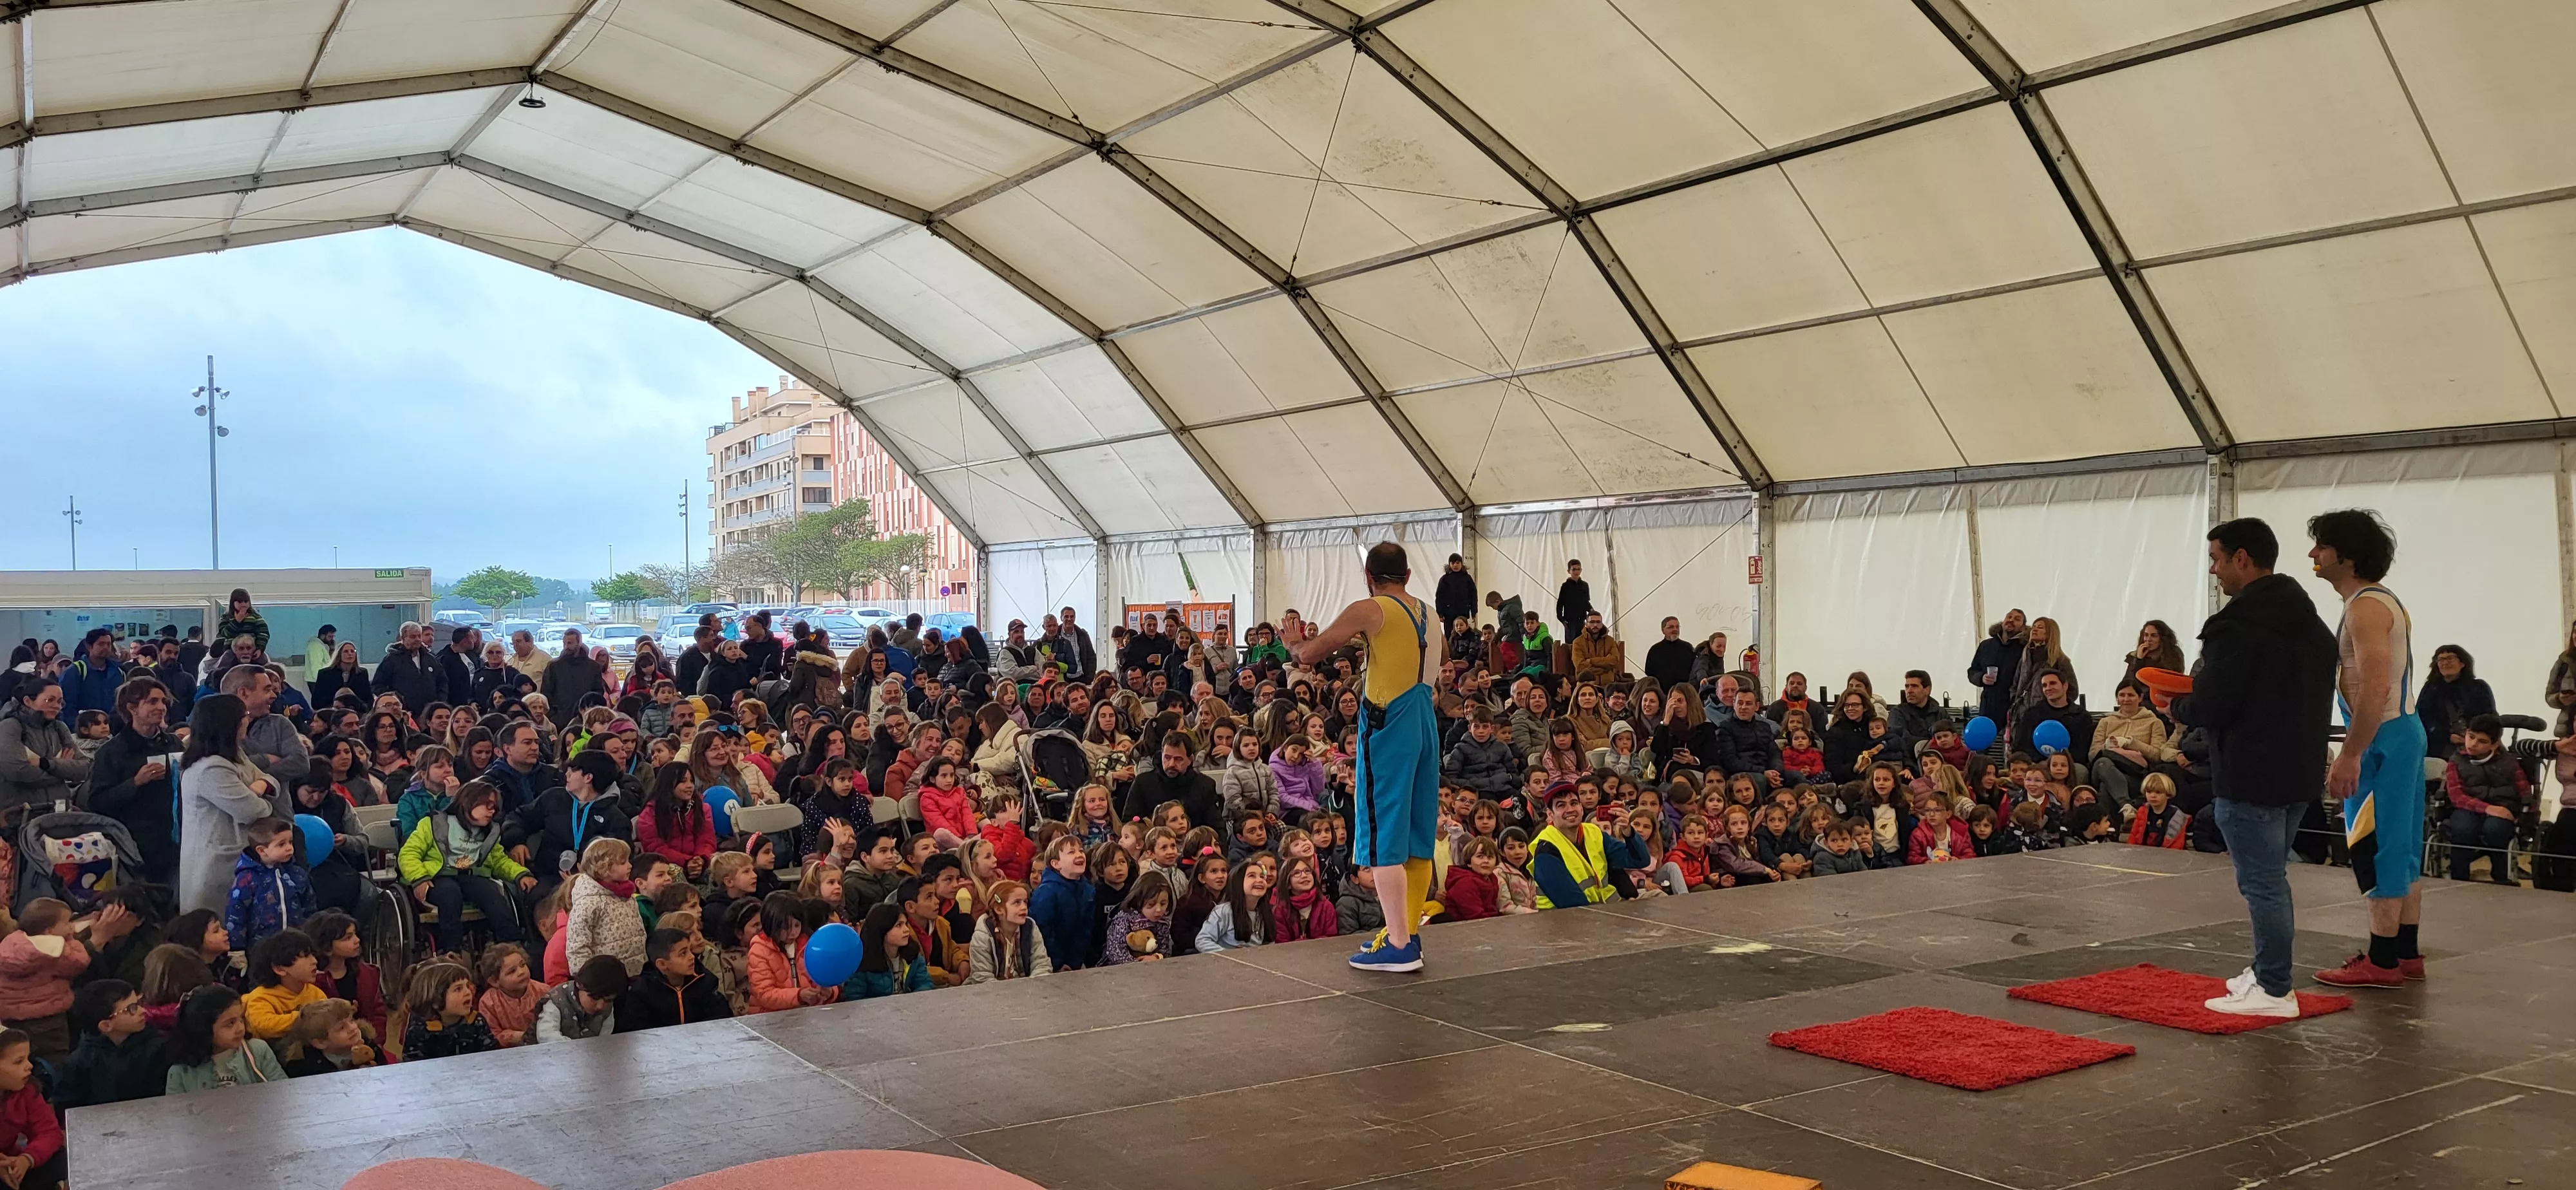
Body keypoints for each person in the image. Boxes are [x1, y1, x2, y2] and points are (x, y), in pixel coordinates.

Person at [2171, 518, 2336, 1019]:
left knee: (2263, 885)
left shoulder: (2237, 627)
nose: (2214, 571)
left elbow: (2215, 703)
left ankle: (2274, 987)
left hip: (2250, 776)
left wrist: (2176, 706)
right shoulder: (2311, 624)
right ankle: (2267, 970)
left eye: (2217, 559)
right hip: (2299, 773)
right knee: (2272, 879)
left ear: (2241, 558)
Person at [2290, 509, 2434, 990]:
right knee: (2402, 844)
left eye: (2321, 546)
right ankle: (2404, 952)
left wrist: (2351, 754)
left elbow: (2374, 687)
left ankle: (2382, 960)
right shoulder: (2376, 601)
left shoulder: (2365, 608)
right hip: (2398, 733)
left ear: (2347, 556)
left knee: (2375, 844)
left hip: (2381, 738)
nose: (2313, 554)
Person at [1294, 542, 1443, 973]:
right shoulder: (1430, 614)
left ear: (1368, 576)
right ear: (1409, 575)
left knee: (1382, 837)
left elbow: (1311, 653)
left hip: (1389, 722)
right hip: (1424, 719)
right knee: (1417, 835)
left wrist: (1293, 643)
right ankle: (1407, 933)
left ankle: (1399, 944)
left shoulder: (1371, 608)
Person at [178, 694, 279, 915]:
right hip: (216, 865)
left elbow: (271, 780)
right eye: (245, 716)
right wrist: (260, 797)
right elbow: (253, 811)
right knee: (216, 928)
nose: (248, 720)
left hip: (239, 860)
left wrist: (259, 787)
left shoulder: (236, 756)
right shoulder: (211, 769)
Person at [57, 980, 171, 1108]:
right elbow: (69, 1107)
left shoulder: (159, 1048)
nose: (143, 1010)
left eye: (139, 1003)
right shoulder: (79, 1063)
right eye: (131, 1009)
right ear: (106, 1026)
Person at [165, 986, 286, 1093]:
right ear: (203, 1029)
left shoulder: (258, 1051)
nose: (240, 1028)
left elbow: (283, 1091)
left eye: (241, 1019)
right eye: (230, 1024)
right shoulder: (180, 1072)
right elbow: (175, 1109)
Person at [0, 676, 87, 815]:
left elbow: (85, 768)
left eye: (60, 702)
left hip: (59, 812)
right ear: (28, 701)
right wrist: (63, 771)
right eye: (50, 700)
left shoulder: (60, 728)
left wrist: (47, 764)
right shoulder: (10, 727)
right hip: (20, 814)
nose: (57, 706)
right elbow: (18, 772)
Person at [2413, 644, 2495, 763]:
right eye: (2441, 660)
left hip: (2475, 749)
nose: (2445, 663)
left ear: (2462, 663)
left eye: (2450, 658)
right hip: (2440, 751)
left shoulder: (2479, 687)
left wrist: (2472, 737)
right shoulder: (2431, 689)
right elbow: (2422, 718)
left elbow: (2490, 718)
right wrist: (2446, 736)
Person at [533, 956, 629, 1043]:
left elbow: (604, 1040)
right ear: (579, 985)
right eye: (594, 998)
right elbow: (546, 1036)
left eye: (608, 1000)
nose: (600, 1006)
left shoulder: (607, 1009)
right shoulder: (557, 1000)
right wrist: (578, 1049)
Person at [1967, 609, 2026, 728]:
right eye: (2009, 617)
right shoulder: (1986, 646)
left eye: (2017, 619)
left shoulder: (2025, 649)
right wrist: (1981, 678)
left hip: (2014, 707)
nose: (2011, 620)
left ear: (2023, 627)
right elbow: (1972, 671)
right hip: (1988, 705)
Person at [1555, 560, 1591, 645]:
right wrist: (1561, 618)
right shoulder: (1566, 586)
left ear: (1581, 570)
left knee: (1582, 643)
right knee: (1571, 644)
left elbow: (1586, 602)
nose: (1576, 572)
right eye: (1574, 569)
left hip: (1581, 619)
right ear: (1569, 571)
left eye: (1578, 569)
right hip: (1570, 621)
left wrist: (1592, 611)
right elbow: (1560, 603)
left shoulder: (1584, 585)